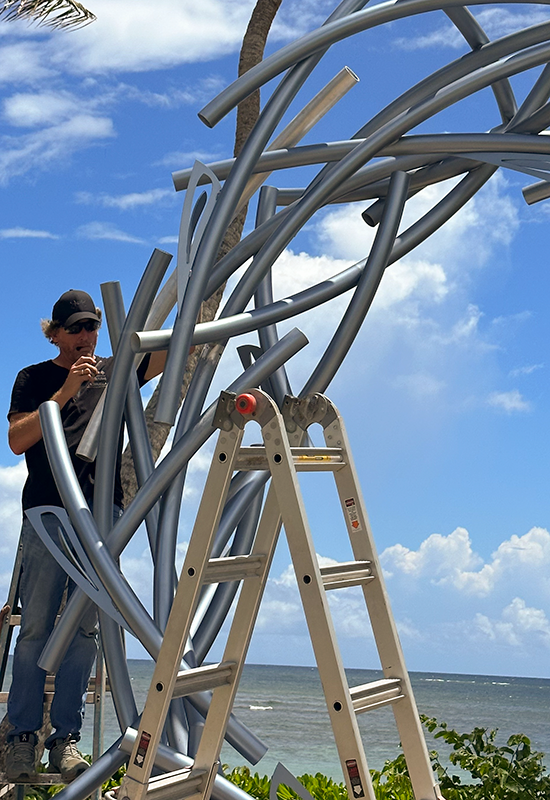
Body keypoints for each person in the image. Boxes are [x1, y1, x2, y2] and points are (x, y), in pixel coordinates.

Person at [5, 289, 165, 783]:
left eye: (92, 327)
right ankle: (21, 737)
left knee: (84, 632)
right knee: (35, 628)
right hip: (49, 513)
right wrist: (66, 391)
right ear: (55, 333)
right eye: (74, 328)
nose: (84, 336)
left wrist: (189, 281)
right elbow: (17, 440)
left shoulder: (116, 372)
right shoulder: (34, 378)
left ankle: (64, 739)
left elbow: (172, 349)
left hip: (100, 515)